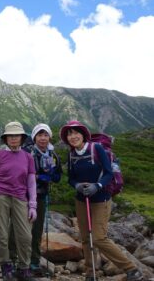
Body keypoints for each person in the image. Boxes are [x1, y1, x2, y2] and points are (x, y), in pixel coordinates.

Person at [60, 120, 144, 281]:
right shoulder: (71, 155)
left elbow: (108, 173)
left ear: (83, 134)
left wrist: (97, 186)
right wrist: (77, 185)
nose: (73, 136)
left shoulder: (96, 148)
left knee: (98, 237)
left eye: (76, 132)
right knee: (85, 238)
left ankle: (131, 268)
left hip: (101, 199)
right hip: (81, 200)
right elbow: (71, 178)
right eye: (69, 134)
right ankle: (90, 272)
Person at [0, 121, 37, 281]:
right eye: (10, 136)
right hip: (0, 196)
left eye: (17, 136)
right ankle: (5, 265)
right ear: (5, 138)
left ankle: (24, 267)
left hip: (20, 198)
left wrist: (33, 205)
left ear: (22, 138)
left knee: (25, 236)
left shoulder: (28, 157)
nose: (14, 138)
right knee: (1, 234)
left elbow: (31, 183)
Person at [26, 123, 62, 275]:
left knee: (37, 229)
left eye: (45, 135)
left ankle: (34, 261)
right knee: (21, 229)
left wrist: (40, 176)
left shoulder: (53, 156)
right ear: (34, 137)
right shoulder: (27, 153)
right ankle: (18, 259)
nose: (43, 138)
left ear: (49, 137)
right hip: (24, 195)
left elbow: (57, 177)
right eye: (40, 135)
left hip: (40, 196)